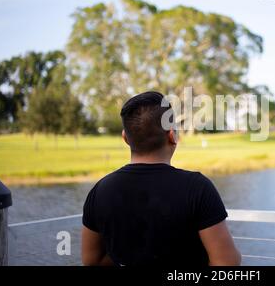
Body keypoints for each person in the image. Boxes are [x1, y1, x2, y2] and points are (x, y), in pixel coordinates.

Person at [81, 91, 241, 266]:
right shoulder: (197, 188)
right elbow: (227, 263)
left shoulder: (101, 190)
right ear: (172, 136)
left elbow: (91, 261)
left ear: (125, 138)